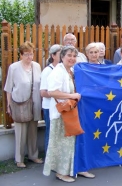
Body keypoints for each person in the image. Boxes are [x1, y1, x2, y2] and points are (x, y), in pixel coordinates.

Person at [43, 45, 95, 182]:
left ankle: (74, 169)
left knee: (70, 143)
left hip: (70, 112)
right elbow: (51, 92)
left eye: (74, 56)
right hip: (61, 113)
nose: (72, 58)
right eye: (69, 56)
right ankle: (61, 172)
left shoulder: (70, 71)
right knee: (62, 144)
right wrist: (71, 96)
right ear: (62, 57)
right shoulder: (57, 72)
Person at [4, 41, 43, 168]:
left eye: (31, 54)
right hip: (20, 103)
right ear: (21, 55)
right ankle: (19, 158)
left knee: (33, 131)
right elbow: (8, 88)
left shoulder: (37, 66)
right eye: (26, 54)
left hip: (35, 103)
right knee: (20, 132)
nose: (29, 57)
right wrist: (9, 105)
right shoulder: (14, 67)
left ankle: (33, 155)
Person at [40, 44, 62, 154]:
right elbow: (43, 92)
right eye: (60, 54)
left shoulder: (64, 69)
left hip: (60, 106)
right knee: (50, 132)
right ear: (53, 56)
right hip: (49, 107)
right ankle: (48, 157)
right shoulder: (47, 71)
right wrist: (59, 94)